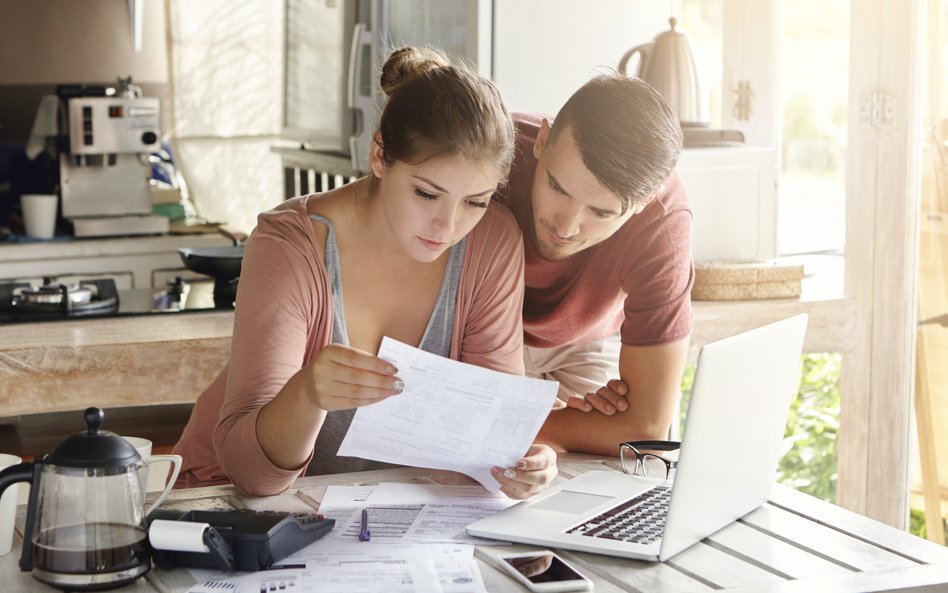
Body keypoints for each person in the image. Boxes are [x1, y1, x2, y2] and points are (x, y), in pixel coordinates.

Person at [173, 47, 557, 499]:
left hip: (378, 516)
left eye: (474, 201)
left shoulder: (492, 241)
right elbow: (252, 478)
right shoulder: (289, 245)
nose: (448, 226)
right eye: (426, 194)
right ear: (379, 155)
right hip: (230, 506)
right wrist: (307, 395)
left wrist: (520, 463)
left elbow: (482, 441)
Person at [497, 74, 694, 456]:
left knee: (605, 476)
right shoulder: (492, 150)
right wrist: (536, 421)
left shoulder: (663, 221)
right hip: (478, 333)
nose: (565, 227)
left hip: (584, 342)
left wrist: (513, 421)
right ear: (541, 140)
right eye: (557, 187)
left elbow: (646, 431)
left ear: (643, 203)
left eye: (601, 212)